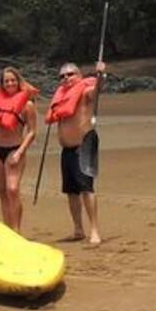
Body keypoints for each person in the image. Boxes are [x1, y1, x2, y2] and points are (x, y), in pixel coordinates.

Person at [0, 38, 38, 234]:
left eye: (13, 80)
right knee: (3, 192)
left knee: (13, 190)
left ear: (18, 81)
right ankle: (9, 231)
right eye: (6, 81)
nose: (9, 83)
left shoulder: (27, 105)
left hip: (14, 150)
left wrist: (20, 152)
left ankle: (17, 230)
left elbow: (33, 131)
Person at [45, 60, 107, 246]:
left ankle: (94, 229)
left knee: (86, 188)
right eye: (62, 76)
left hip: (83, 146)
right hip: (67, 149)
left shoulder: (85, 92)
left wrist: (101, 75)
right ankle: (78, 229)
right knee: (71, 192)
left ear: (79, 76)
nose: (66, 78)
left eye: (70, 74)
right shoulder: (62, 95)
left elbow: (97, 91)